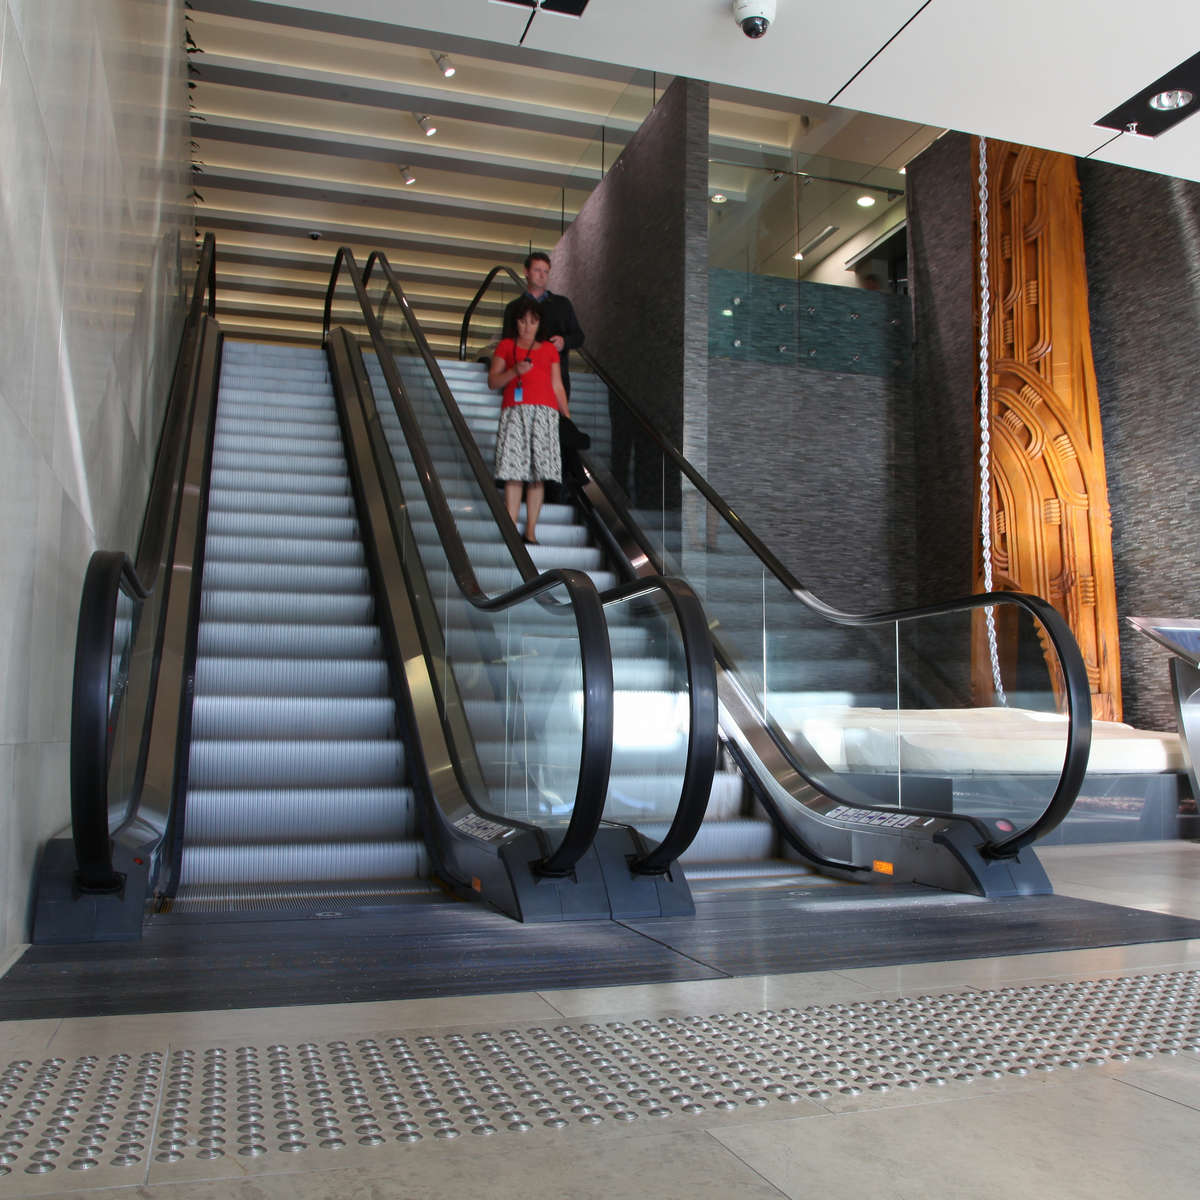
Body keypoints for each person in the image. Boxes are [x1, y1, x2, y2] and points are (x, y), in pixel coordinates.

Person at [488, 296, 569, 545]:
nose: (527, 326)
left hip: (545, 413)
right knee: (514, 471)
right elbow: (493, 382)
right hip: (515, 410)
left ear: (539, 323)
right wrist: (514, 371)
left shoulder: (547, 350)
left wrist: (566, 415)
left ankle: (531, 530)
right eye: (523, 321)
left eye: (532, 322)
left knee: (538, 475)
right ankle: (511, 526)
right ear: (516, 322)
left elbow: (557, 384)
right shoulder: (505, 346)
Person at [501, 251, 584, 399]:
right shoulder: (513, 308)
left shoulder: (562, 304)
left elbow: (579, 336)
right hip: (523, 379)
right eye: (537, 270)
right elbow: (506, 344)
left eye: (546, 271)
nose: (542, 275)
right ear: (526, 272)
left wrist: (564, 342)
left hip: (554, 379)